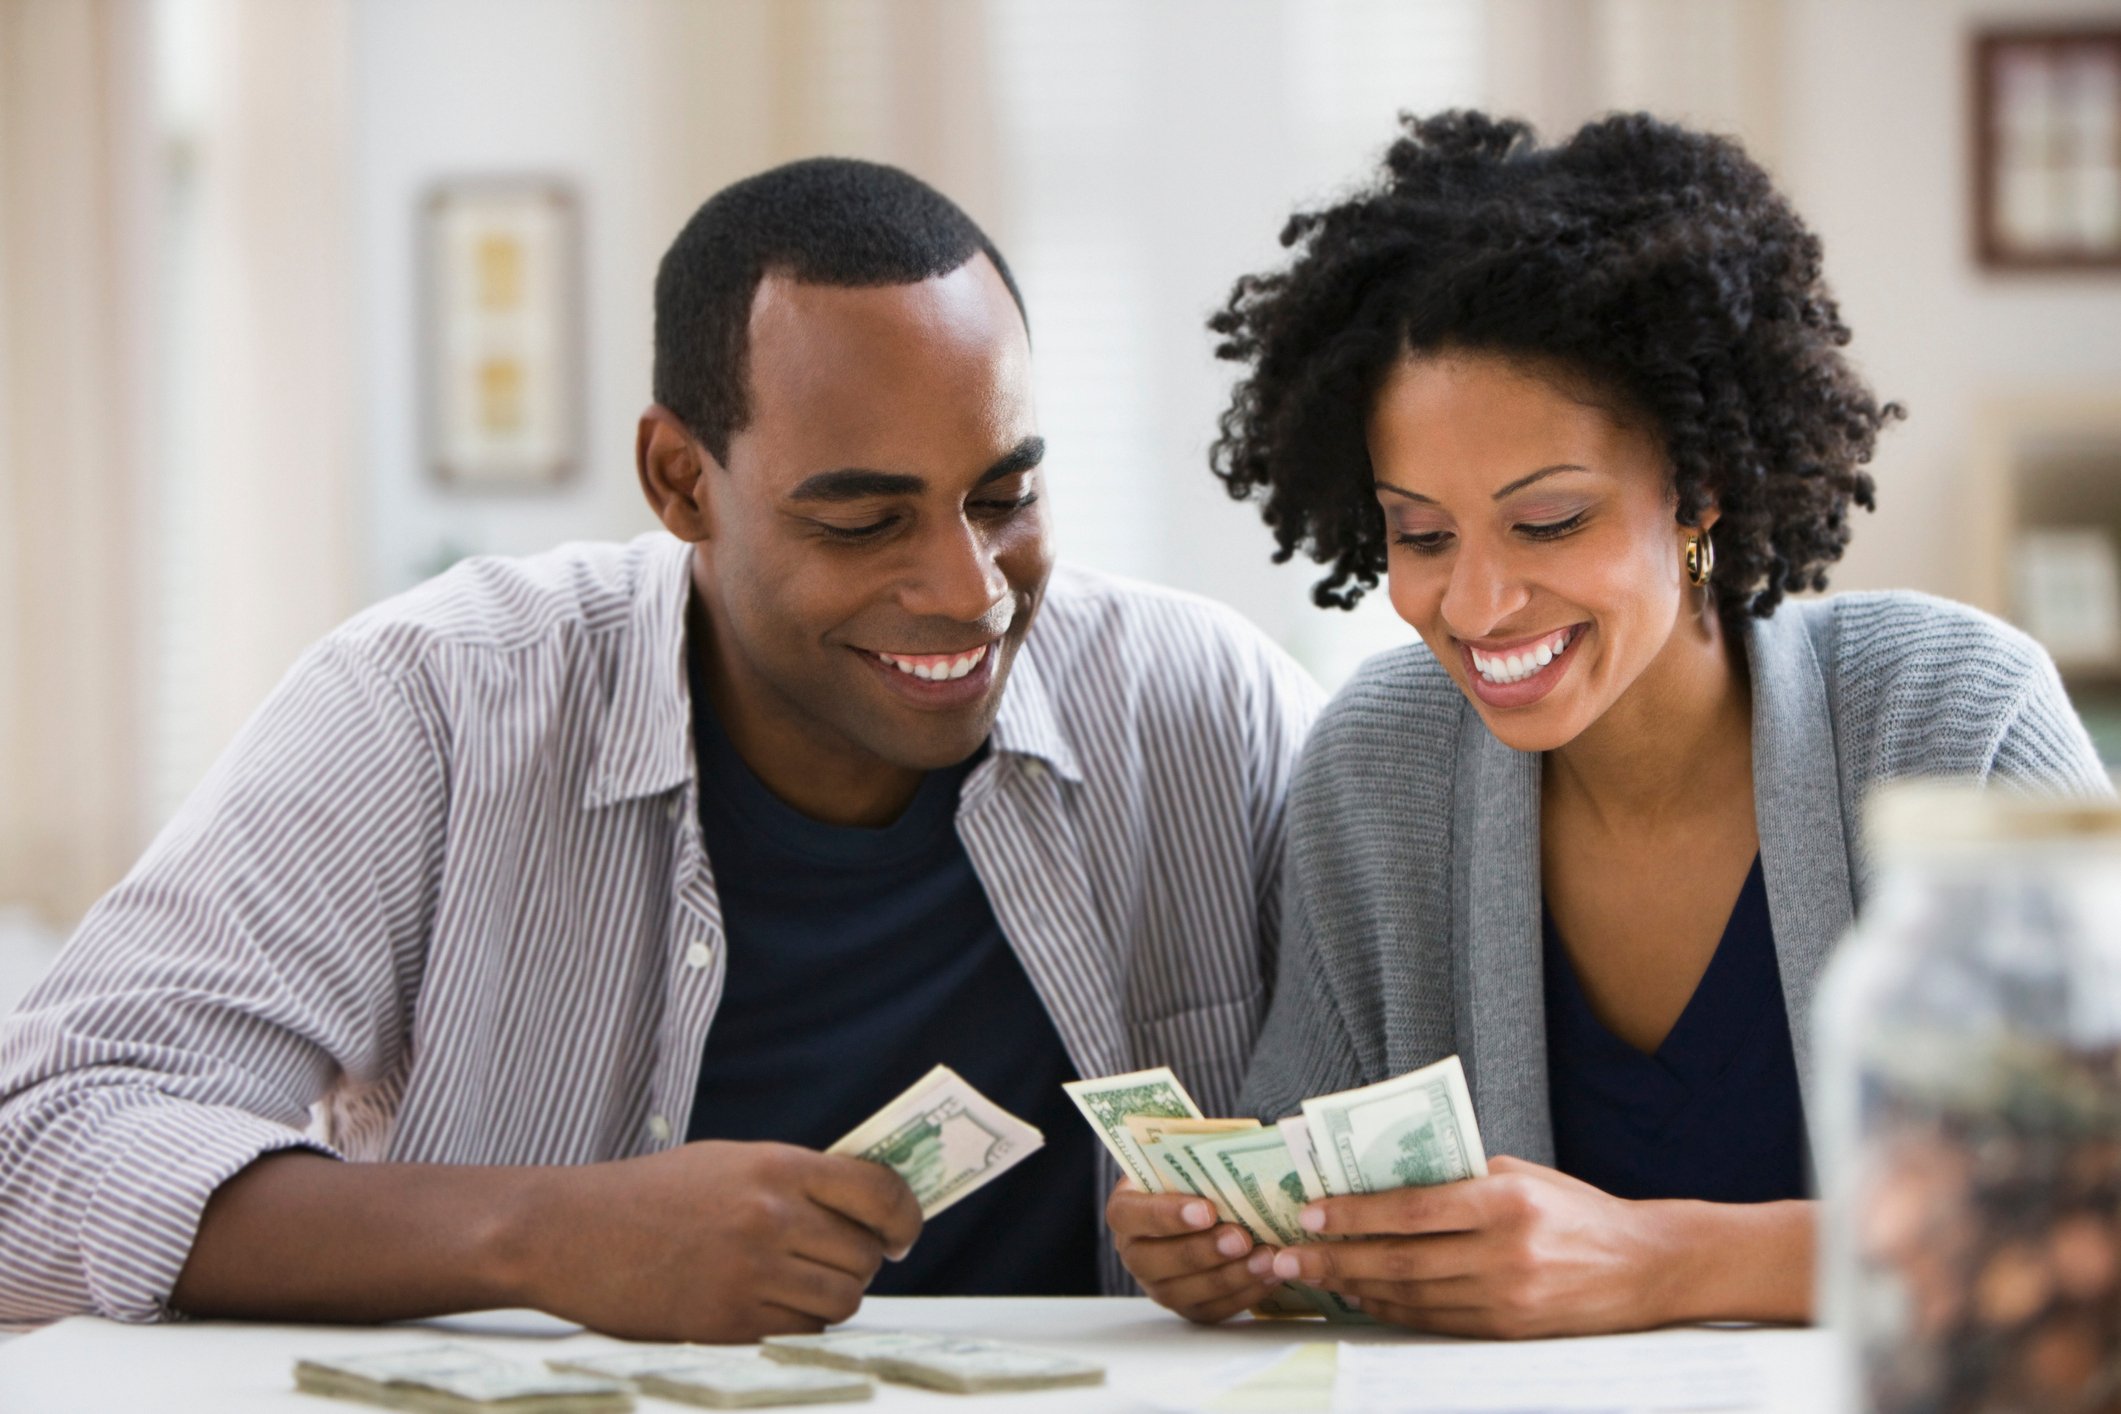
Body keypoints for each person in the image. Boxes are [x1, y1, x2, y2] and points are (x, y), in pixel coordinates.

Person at [0, 159, 1322, 1339]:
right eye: (863, 520)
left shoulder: (1208, 707)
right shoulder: (434, 705)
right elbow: (41, 1147)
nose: (965, 589)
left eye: (1004, 497)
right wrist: (541, 1235)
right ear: (681, 481)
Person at [1108, 111, 2109, 1336]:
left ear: (1697, 491)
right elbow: (1315, 1202)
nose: (1473, 603)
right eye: (1421, 535)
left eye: (1549, 524)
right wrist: (1231, 1254)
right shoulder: (1379, 766)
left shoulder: (1950, 714)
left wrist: (1665, 1262)